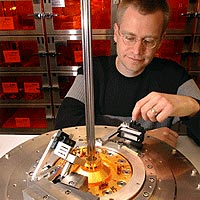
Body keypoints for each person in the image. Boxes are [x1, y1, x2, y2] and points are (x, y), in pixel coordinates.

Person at [55, 0, 200, 147]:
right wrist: (140, 137)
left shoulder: (175, 76)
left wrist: (192, 106)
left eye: (148, 41)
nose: (137, 50)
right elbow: (65, 126)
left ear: (161, 40)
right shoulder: (93, 70)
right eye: (130, 38)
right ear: (116, 33)